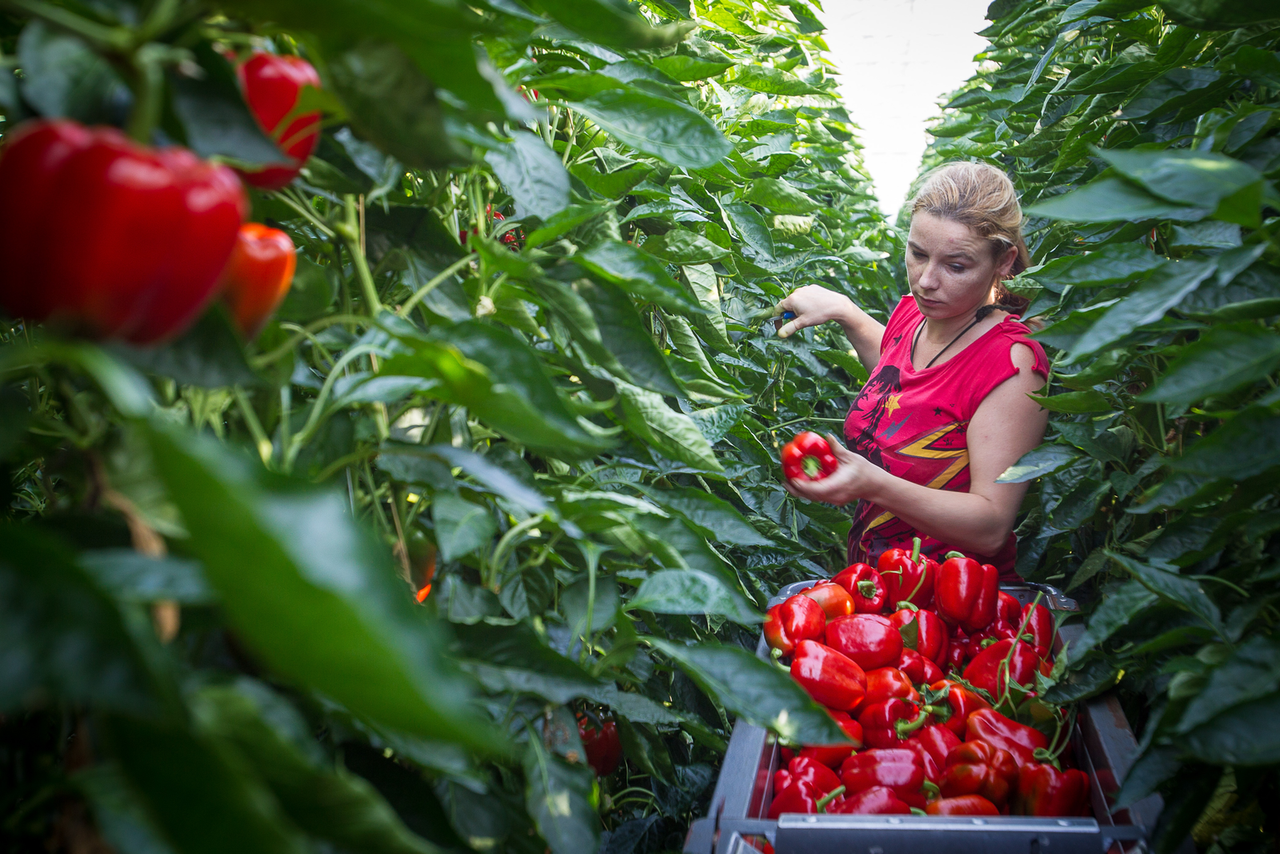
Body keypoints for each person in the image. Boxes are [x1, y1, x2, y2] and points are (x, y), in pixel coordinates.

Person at [775, 161, 1049, 581]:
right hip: (878, 589)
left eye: (956, 266)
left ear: (1004, 261)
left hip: (955, 608)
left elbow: (991, 526)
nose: (926, 280)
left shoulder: (1012, 365)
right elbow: (907, 385)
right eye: (918, 254)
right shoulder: (914, 316)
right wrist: (846, 313)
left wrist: (873, 484)